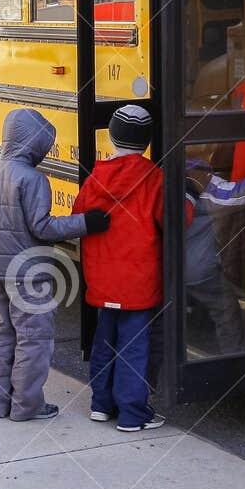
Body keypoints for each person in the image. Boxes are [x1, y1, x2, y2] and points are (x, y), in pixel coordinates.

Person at [0, 108, 108, 421]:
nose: (44, 154)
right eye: (43, 147)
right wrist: (85, 223)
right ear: (32, 145)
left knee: (2, 335)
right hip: (28, 273)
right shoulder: (33, 179)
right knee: (34, 341)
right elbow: (42, 227)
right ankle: (26, 406)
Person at [73, 105, 166, 433]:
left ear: (111, 138)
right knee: (134, 346)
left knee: (105, 340)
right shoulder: (154, 178)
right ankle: (132, 414)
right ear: (147, 141)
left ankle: (100, 404)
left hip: (103, 280)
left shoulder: (96, 176)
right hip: (138, 283)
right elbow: (172, 220)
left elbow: (79, 215)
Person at [184, 159, 244, 350]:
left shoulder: (164, 175)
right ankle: (234, 359)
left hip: (169, 268)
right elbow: (236, 195)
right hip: (199, 271)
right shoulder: (202, 181)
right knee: (226, 311)